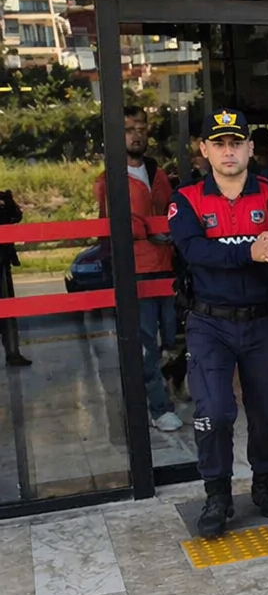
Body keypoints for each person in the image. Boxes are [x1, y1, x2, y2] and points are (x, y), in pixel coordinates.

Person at [167, 109, 268, 537]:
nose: (228, 151)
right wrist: (250, 252)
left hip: (266, 320)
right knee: (215, 412)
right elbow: (195, 252)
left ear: (250, 148)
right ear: (204, 149)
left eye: (236, 143)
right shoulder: (186, 199)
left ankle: (265, 481)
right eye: (219, 143)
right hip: (210, 323)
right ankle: (217, 493)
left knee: (267, 411)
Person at [97, 105, 181, 432]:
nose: (136, 135)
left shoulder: (157, 173)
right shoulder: (110, 179)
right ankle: (158, 407)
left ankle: (164, 395)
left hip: (166, 266)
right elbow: (112, 225)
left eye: (141, 128)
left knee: (170, 338)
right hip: (136, 270)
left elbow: (172, 211)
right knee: (146, 343)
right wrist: (147, 230)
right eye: (129, 129)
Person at [1, 190, 29, 367]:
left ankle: (13, 353)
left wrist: (8, 200)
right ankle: (12, 353)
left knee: (8, 311)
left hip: (3, 262)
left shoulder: (3, 202)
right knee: (7, 311)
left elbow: (16, 216)